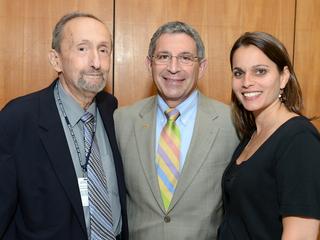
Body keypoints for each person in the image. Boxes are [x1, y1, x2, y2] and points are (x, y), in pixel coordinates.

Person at [0, 12, 128, 240]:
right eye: (82, 49)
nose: (96, 62)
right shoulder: (18, 119)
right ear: (55, 59)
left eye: (103, 49)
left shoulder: (111, 109)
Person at [114, 21, 238, 240]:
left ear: (202, 67)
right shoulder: (122, 120)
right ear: (148, 64)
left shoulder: (232, 124)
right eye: (163, 56)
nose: (173, 67)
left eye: (185, 58)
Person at [218, 31, 320, 239]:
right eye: (238, 73)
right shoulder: (252, 135)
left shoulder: (298, 138)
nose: (246, 82)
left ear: (283, 77)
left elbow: (300, 235)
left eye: (260, 71)